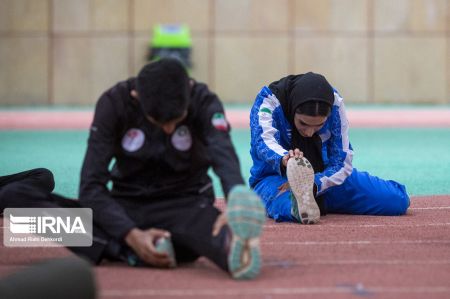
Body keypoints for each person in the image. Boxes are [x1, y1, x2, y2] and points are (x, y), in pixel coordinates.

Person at [0, 58, 265, 280]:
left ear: (189, 90)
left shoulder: (203, 100)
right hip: (124, 209)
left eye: (177, 121)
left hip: (185, 207)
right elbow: (91, 187)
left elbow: (221, 149)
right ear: (137, 97)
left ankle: (231, 247)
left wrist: (235, 192)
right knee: (15, 199)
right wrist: (129, 233)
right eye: (160, 122)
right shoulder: (113, 104)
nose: (170, 129)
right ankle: (129, 247)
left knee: (213, 233)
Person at [249, 72, 410, 224]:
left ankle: (311, 199)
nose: (309, 132)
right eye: (303, 123)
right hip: (275, 179)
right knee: (287, 203)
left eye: (319, 125)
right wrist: (287, 159)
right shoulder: (269, 101)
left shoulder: (335, 104)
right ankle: (300, 206)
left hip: (325, 180)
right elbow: (263, 141)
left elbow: (342, 162)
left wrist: (314, 184)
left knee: (396, 200)